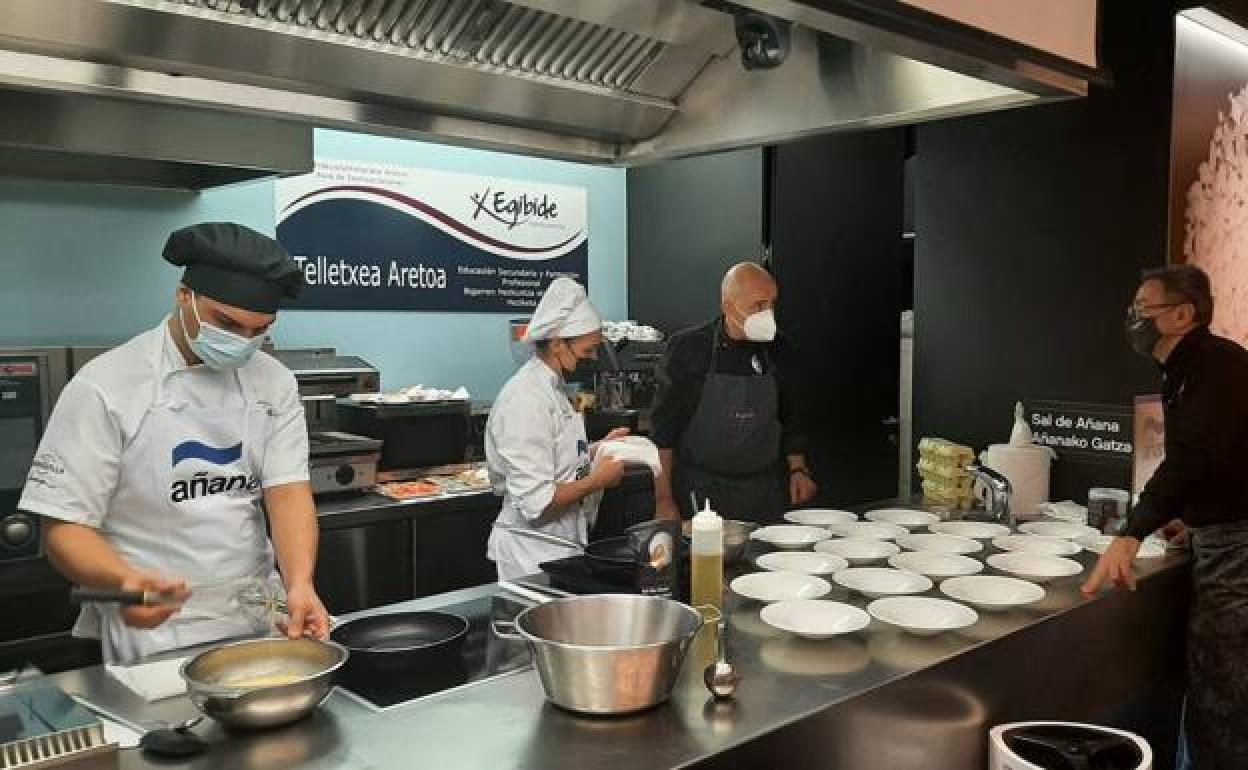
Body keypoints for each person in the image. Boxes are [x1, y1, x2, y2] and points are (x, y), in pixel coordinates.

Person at [19, 222, 330, 664]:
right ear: (184, 296)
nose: (242, 343)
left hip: (259, 612)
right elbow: (63, 526)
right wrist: (125, 583)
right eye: (227, 323)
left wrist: (301, 582)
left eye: (258, 330)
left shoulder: (273, 381)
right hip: (156, 624)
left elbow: (288, 491)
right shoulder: (106, 386)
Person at [1082, 264, 1248, 769]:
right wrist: (1187, 515)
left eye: (1143, 308)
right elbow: (1219, 460)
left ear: (1182, 314)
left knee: (1224, 695)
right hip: (1220, 533)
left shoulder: (1216, 366)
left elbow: (1192, 456)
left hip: (1237, 548)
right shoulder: (1188, 369)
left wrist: (1132, 533)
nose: (1133, 317)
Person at [485, 277, 628, 580]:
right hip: (531, 554)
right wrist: (598, 480)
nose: (591, 359)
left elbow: (555, 458)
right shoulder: (524, 400)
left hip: (562, 545)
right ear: (558, 343)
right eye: (587, 351)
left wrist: (597, 449)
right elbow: (538, 502)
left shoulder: (554, 389)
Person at [650, 261, 815, 522]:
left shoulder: (781, 350)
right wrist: (664, 500)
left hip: (764, 493)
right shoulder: (688, 349)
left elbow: (791, 418)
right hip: (701, 493)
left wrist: (799, 470)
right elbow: (663, 433)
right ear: (728, 306)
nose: (768, 313)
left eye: (772, 304)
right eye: (758, 306)